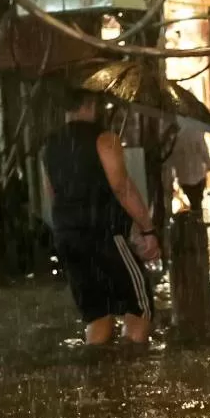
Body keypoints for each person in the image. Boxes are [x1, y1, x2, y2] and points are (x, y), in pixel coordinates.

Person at [42, 94, 160, 343]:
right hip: (104, 234)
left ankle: (99, 374)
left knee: (97, 315)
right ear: (90, 104)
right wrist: (147, 230)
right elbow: (122, 188)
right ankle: (131, 374)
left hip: (67, 237)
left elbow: (52, 193)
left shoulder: (50, 145)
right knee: (140, 307)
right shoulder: (105, 139)